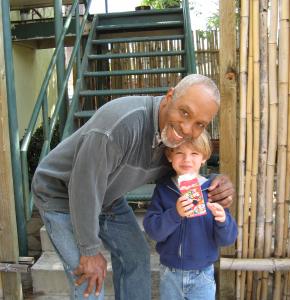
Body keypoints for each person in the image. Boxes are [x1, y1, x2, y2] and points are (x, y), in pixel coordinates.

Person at [31, 74, 235, 300]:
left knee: (136, 257)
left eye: (200, 124)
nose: (187, 129)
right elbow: (84, 187)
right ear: (169, 97)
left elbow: (187, 171)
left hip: (108, 196)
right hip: (62, 194)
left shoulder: (174, 142)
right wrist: (89, 251)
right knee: (90, 278)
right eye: (184, 112)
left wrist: (216, 182)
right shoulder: (119, 126)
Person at [143, 132, 238, 300]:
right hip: (170, 273)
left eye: (194, 153)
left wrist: (222, 220)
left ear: (204, 157)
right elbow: (153, 231)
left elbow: (227, 240)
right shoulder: (164, 189)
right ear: (170, 156)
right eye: (180, 153)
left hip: (203, 274)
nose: (187, 159)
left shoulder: (213, 190)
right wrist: (175, 213)